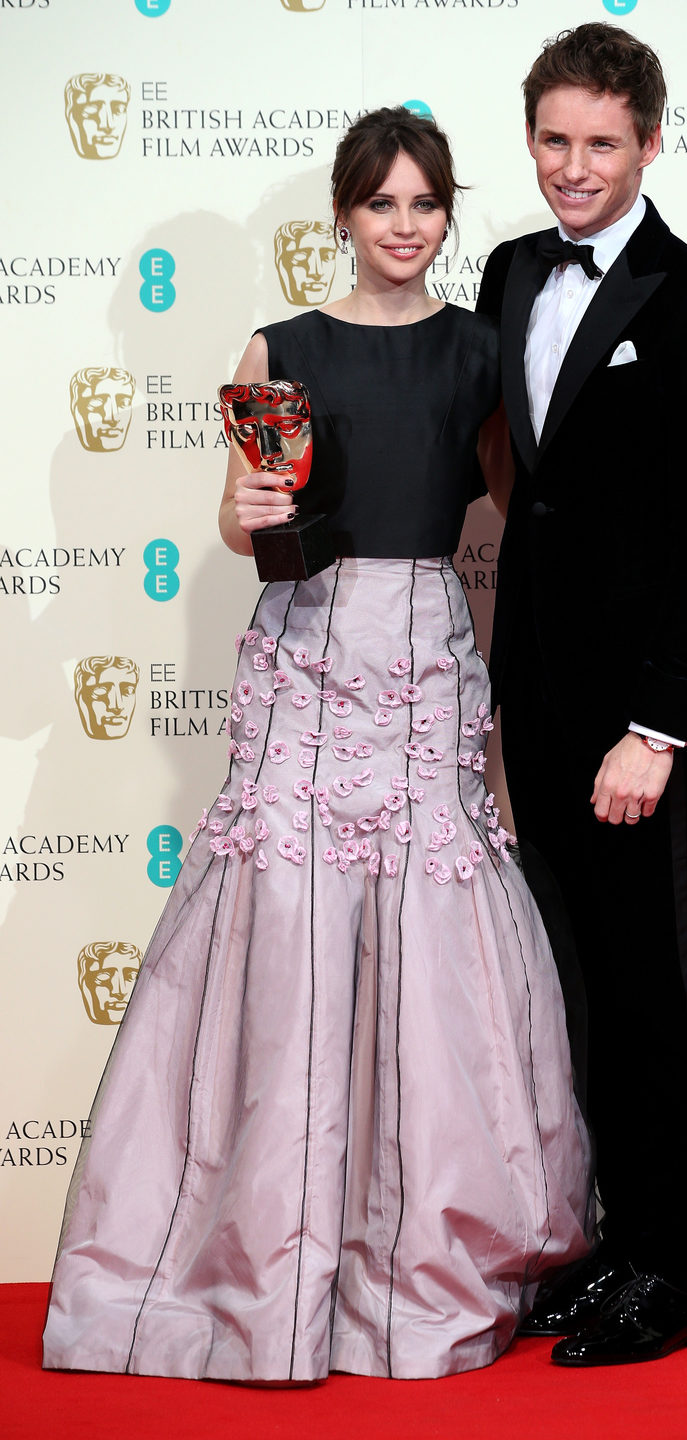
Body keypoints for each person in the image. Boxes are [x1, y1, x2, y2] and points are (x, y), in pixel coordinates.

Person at [43, 106, 591, 1386]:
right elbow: (247, 532)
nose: (404, 227)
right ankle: (260, 1271)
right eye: (381, 204)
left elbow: (525, 513)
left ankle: (413, 1261)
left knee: (433, 949)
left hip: (424, 662)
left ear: (448, 214)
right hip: (305, 653)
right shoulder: (277, 348)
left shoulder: (479, 351)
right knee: (285, 928)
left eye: (425, 205)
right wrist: (239, 513)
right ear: (341, 215)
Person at [476, 24, 687, 1365]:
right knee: (575, 986)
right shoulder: (509, 269)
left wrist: (657, 728)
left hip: (633, 724)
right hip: (530, 696)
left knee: (655, 981)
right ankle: (608, 1247)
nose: (573, 169)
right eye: (553, 141)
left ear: (652, 142)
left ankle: (676, 1279)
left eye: (601, 144)